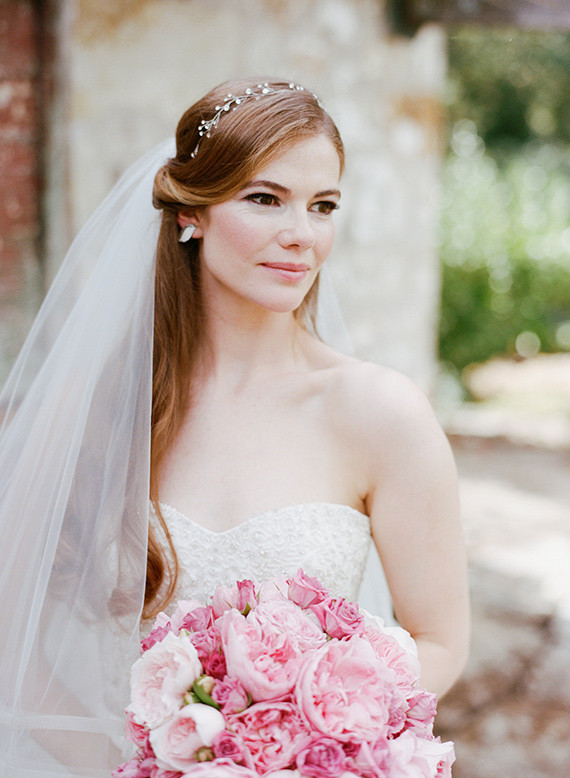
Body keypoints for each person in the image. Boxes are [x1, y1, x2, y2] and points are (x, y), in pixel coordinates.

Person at [0, 78, 469, 778]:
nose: (301, 235)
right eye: (264, 198)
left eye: (323, 206)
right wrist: (144, 763)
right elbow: (14, 625)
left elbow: (440, 638)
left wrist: (322, 742)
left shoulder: (381, 413)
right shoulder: (97, 408)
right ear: (193, 214)